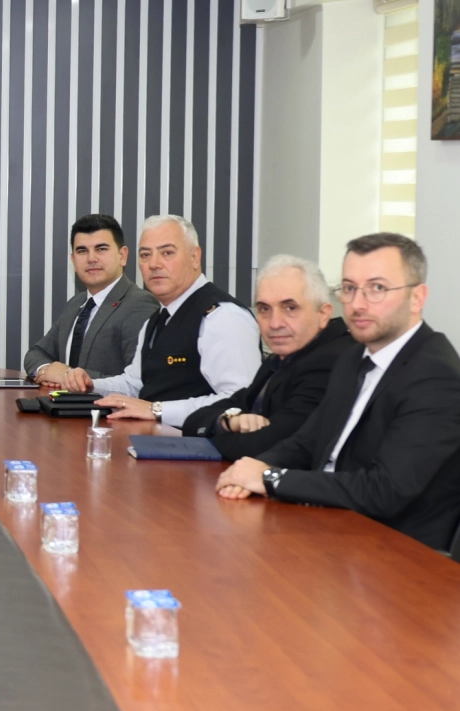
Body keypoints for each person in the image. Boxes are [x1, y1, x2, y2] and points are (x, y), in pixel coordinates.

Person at [216, 234, 460, 551]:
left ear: (417, 297)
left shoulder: (436, 375)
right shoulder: (352, 357)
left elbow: (384, 490)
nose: (357, 304)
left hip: (396, 552)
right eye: (349, 288)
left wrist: (270, 479)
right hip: (328, 527)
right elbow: (307, 442)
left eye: (377, 288)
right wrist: (250, 470)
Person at [59, 214, 260, 427]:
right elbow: (134, 384)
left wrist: (157, 410)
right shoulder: (157, 320)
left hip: (203, 445)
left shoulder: (223, 317)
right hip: (157, 440)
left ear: (195, 257)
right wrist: (91, 385)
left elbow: (241, 402)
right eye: (145, 255)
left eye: (167, 253)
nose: (154, 264)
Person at [181, 255, 353, 461]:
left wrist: (212, 435)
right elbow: (193, 421)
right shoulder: (284, 356)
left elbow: (265, 448)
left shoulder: (330, 361)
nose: (274, 323)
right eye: (264, 309)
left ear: (323, 314)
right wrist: (228, 422)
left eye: (290, 308)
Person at [23, 214, 158, 385]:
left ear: (122, 256)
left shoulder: (139, 304)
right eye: (82, 251)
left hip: (105, 403)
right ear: (73, 260)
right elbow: (36, 353)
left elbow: (140, 381)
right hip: (59, 402)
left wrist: (68, 376)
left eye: (101, 249)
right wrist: (46, 372)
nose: (91, 258)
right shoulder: (76, 304)